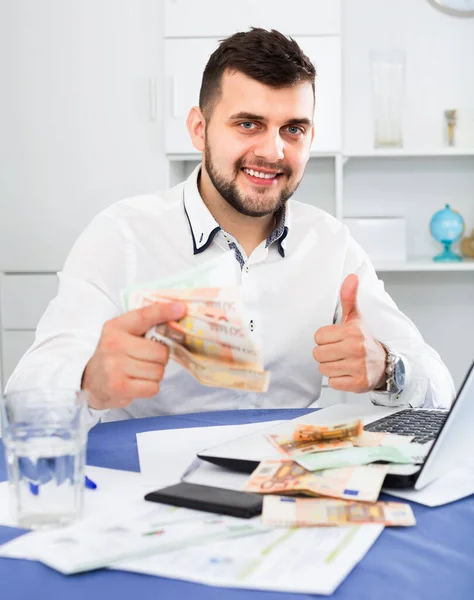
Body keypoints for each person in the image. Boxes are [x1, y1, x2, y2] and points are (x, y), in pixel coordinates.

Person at [6, 28, 455, 426]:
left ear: (310, 137)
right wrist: (89, 382)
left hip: (287, 489)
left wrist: (388, 368)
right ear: (199, 129)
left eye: (293, 129)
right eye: (248, 124)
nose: (273, 151)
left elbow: (440, 389)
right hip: (146, 494)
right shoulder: (121, 236)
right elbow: (23, 397)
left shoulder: (332, 245)